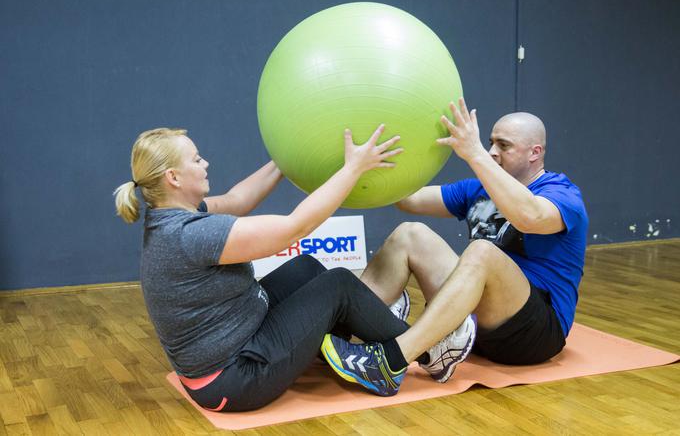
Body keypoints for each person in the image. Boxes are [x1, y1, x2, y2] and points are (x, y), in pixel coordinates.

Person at [113, 125, 475, 411]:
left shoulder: (171, 218)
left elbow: (239, 199)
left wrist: (286, 159)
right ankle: (429, 351)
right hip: (233, 381)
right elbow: (294, 228)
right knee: (337, 285)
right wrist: (354, 169)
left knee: (305, 268)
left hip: (238, 338)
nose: (205, 163)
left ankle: (358, 334)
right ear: (173, 178)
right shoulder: (191, 235)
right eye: (196, 160)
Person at [333, 98, 588, 377]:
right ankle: (344, 329)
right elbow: (408, 200)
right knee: (409, 233)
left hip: (534, 335)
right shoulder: (478, 188)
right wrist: (359, 169)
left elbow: (530, 216)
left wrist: (474, 153)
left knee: (483, 251)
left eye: (503, 145)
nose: (491, 151)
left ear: (534, 152)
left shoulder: (562, 193)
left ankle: (391, 361)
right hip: (476, 328)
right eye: (490, 143)